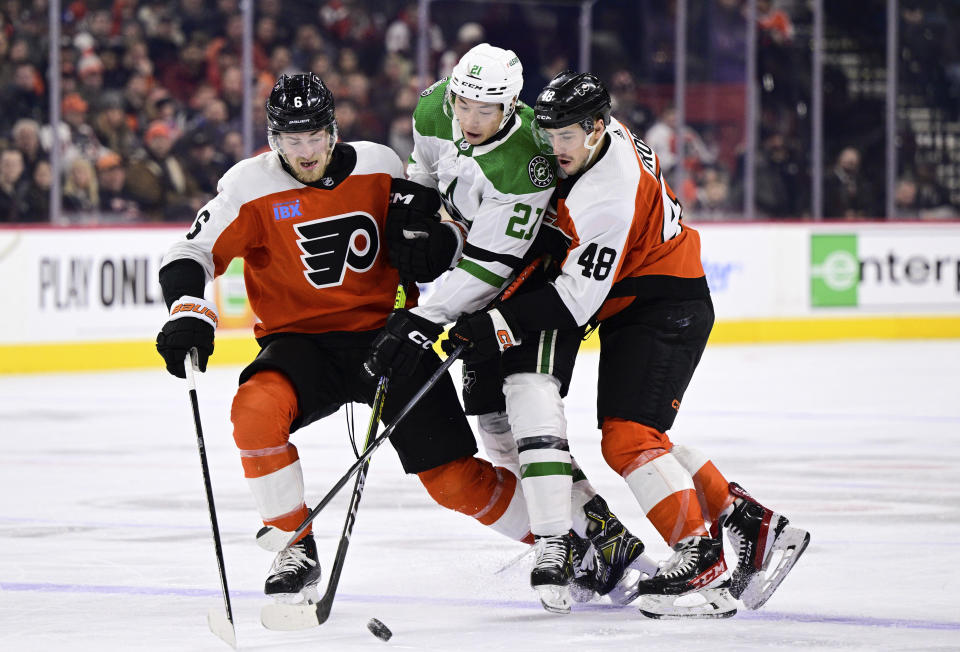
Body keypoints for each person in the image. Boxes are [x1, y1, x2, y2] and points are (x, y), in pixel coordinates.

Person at [156, 72, 553, 612]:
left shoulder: (381, 165)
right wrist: (187, 309)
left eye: (314, 137)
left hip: (387, 338)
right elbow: (191, 251)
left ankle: (559, 544)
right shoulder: (248, 186)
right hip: (300, 346)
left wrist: (440, 241)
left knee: (453, 482)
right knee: (253, 412)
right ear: (274, 140)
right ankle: (294, 547)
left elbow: (446, 226)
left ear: (332, 131)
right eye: (292, 141)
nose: (306, 151)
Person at [442, 71, 810, 617]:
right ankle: (749, 523)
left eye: (567, 136)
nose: (555, 146)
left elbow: (573, 302)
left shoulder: (605, 196)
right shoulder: (596, 139)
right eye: (550, 134)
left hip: (664, 304)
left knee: (629, 439)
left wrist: (493, 322)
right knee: (644, 438)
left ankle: (699, 562)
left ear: (595, 128)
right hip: (644, 299)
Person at [363, 43, 651, 613]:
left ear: (511, 106)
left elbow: (489, 266)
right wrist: (422, 226)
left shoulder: (527, 160)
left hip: (533, 285)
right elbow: (424, 173)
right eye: (463, 104)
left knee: (530, 401)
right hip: (477, 288)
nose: (469, 120)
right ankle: (600, 529)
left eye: (485, 110)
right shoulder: (431, 109)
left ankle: (555, 541)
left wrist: (425, 316)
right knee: (495, 431)